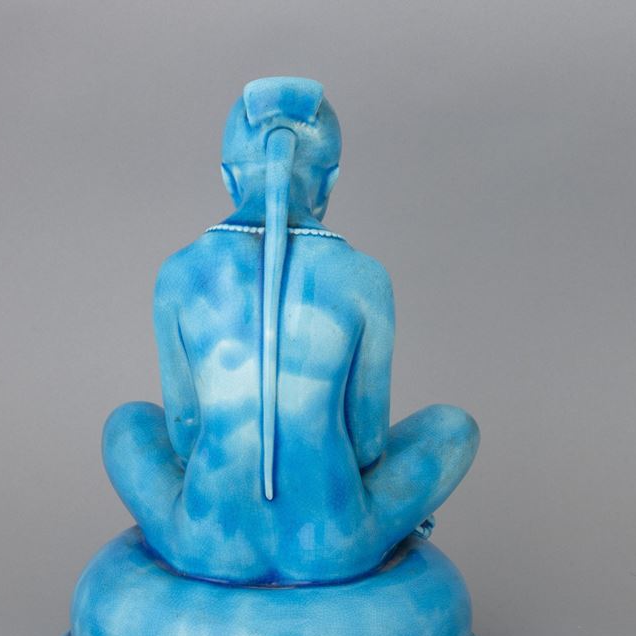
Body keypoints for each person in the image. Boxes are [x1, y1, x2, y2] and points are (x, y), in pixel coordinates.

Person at [101, 77, 479, 585]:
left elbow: (184, 437)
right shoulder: (364, 278)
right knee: (454, 428)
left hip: (205, 540)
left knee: (127, 425)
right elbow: (368, 447)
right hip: (337, 543)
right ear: (330, 180)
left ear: (229, 177)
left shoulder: (179, 273)